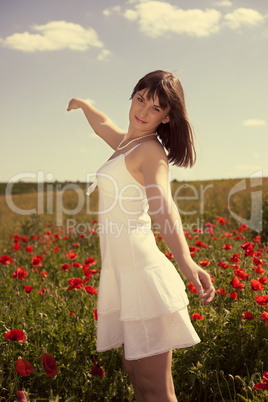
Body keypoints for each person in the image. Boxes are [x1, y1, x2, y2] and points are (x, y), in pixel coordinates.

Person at [67, 70, 215, 402]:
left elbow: (164, 209)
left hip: (142, 275)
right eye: (140, 99)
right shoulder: (127, 143)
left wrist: (187, 262)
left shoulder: (151, 152)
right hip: (123, 274)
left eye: (155, 108)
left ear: (166, 117)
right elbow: (103, 125)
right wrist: (83, 105)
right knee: (137, 377)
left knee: (155, 389)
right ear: (133, 96)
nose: (143, 112)